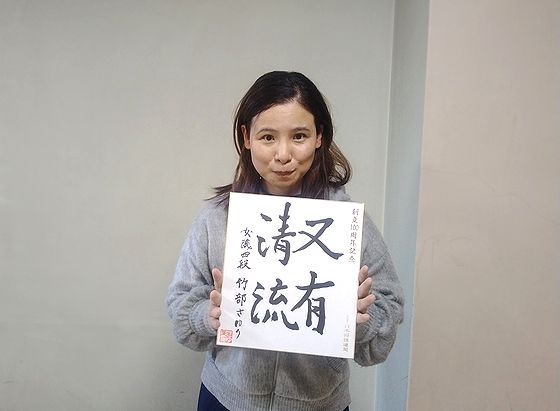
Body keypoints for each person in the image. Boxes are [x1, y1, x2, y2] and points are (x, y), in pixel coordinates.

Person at [166, 71, 404, 411]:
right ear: (246, 138)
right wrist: (208, 315)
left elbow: (387, 317)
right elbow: (180, 307)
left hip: (319, 405)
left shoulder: (348, 224)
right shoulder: (216, 218)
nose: (283, 154)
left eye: (299, 136)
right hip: (227, 399)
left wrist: (359, 321)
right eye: (267, 137)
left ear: (320, 136)